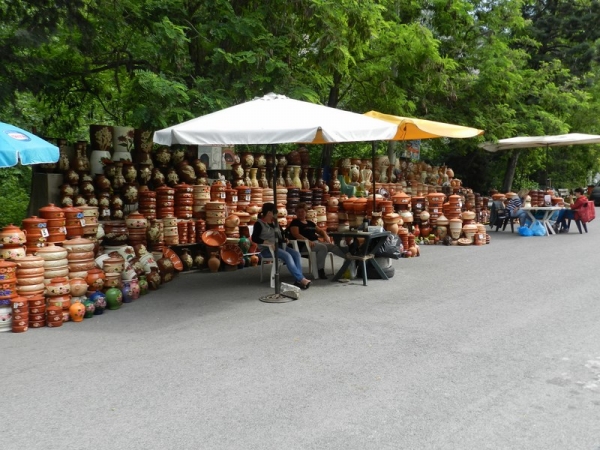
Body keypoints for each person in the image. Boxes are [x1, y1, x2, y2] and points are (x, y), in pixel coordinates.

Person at [251, 202, 312, 290]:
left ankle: (298, 280)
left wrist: (285, 239)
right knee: (287, 255)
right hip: (268, 250)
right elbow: (254, 238)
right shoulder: (259, 224)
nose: (276, 214)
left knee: (296, 254)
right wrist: (266, 242)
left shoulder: (275, 223)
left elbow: (282, 235)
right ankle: (301, 279)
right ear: (269, 213)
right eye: (275, 212)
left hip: (280, 247)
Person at [288, 203, 347, 279]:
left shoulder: (310, 223)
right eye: (298, 212)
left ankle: (349, 258)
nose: (300, 213)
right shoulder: (295, 222)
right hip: (304, 245)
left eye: (302, 211)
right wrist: (307, 240)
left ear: (306, 212)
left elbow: (321, 231)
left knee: (332, 246)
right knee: (322, 247)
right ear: (296, 213)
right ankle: (320, 270)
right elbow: (296, 234)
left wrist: (326, 236)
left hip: (316, 243)